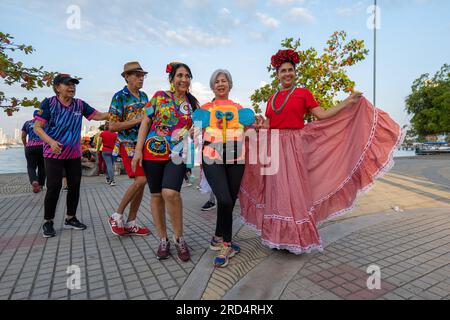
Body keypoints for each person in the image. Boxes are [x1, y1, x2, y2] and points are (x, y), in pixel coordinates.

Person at [239, 49, 403, 254]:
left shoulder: (303, 93)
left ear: (295, 72)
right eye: (283, 71)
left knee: (294, 192)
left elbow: (322, 115)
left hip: (294, 147)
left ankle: (295, 239)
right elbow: (270, 125)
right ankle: (278, 238)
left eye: (290, 70)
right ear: (277, 74)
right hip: (274, 148)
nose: (287, 74)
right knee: (276, 192)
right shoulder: (271, 99)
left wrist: (347, 103)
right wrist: (255, 128)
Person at [133, 62, 199, 262]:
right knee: (156, 196)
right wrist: (138, 150)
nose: (184, 79)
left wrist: (196, 132)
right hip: (152, 153)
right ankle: (163, 239)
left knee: (170, 193)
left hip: (177, 154)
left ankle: (179, 238)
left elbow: (198, 129)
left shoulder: (193, 104)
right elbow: (145, 121)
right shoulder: (159, 96)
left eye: (187, 76)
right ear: (172, 79)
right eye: (180, 75)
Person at [192, 69, 255, 267]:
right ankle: (226, 244)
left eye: (224, 81)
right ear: (212, 86)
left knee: (228, 200)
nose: (221, 84)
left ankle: (218, 236)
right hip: (212, 158)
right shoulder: (205, 108)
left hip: (237, 158)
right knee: (225, 199)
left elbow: (248, 131)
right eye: (217, 81)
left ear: (229, 85)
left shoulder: (239, 108)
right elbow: (194, 130)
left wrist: (257, 127)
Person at [33, 73, 109, 238]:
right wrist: (51, 142)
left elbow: (98, 115)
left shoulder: (79, 104)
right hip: (53, 154)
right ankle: (48, 221)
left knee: (74, 186)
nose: (72, 87)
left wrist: (115, 111)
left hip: (74, 154)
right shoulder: (49, 103)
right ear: (57, 87)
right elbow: (37, 127)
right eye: (67, 84)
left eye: (73, 84)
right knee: (54, 187)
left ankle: (71, 218)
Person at [107, 61, 151, 237]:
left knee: (141, 184)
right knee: (141, 180)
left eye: (142, 75)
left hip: (144, 145)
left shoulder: (145, 96)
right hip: (127, 144)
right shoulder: (119, 97)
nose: (141, 79)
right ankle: (116, 215)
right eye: (137, 75)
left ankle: (131, 221)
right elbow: (112, 126)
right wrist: (138, 120)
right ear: (126, 77)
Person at [22, 110, 46, 193]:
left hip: (30, 147)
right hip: (42, 146)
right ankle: (41, 185)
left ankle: (34, 181)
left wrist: (25, 145)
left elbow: (23, 136)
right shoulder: (44, 123)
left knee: (31, 167)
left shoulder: (27, 123)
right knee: (42, 166)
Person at [99, 121, 118, 186]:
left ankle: (111, 180)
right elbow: (117, 143)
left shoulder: (102, 133)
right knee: (110, 165)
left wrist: (98, 149)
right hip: (113, 151)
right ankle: (109, 179)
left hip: (105, 150)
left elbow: (100, 142)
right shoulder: (115, 134)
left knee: (108, 165)